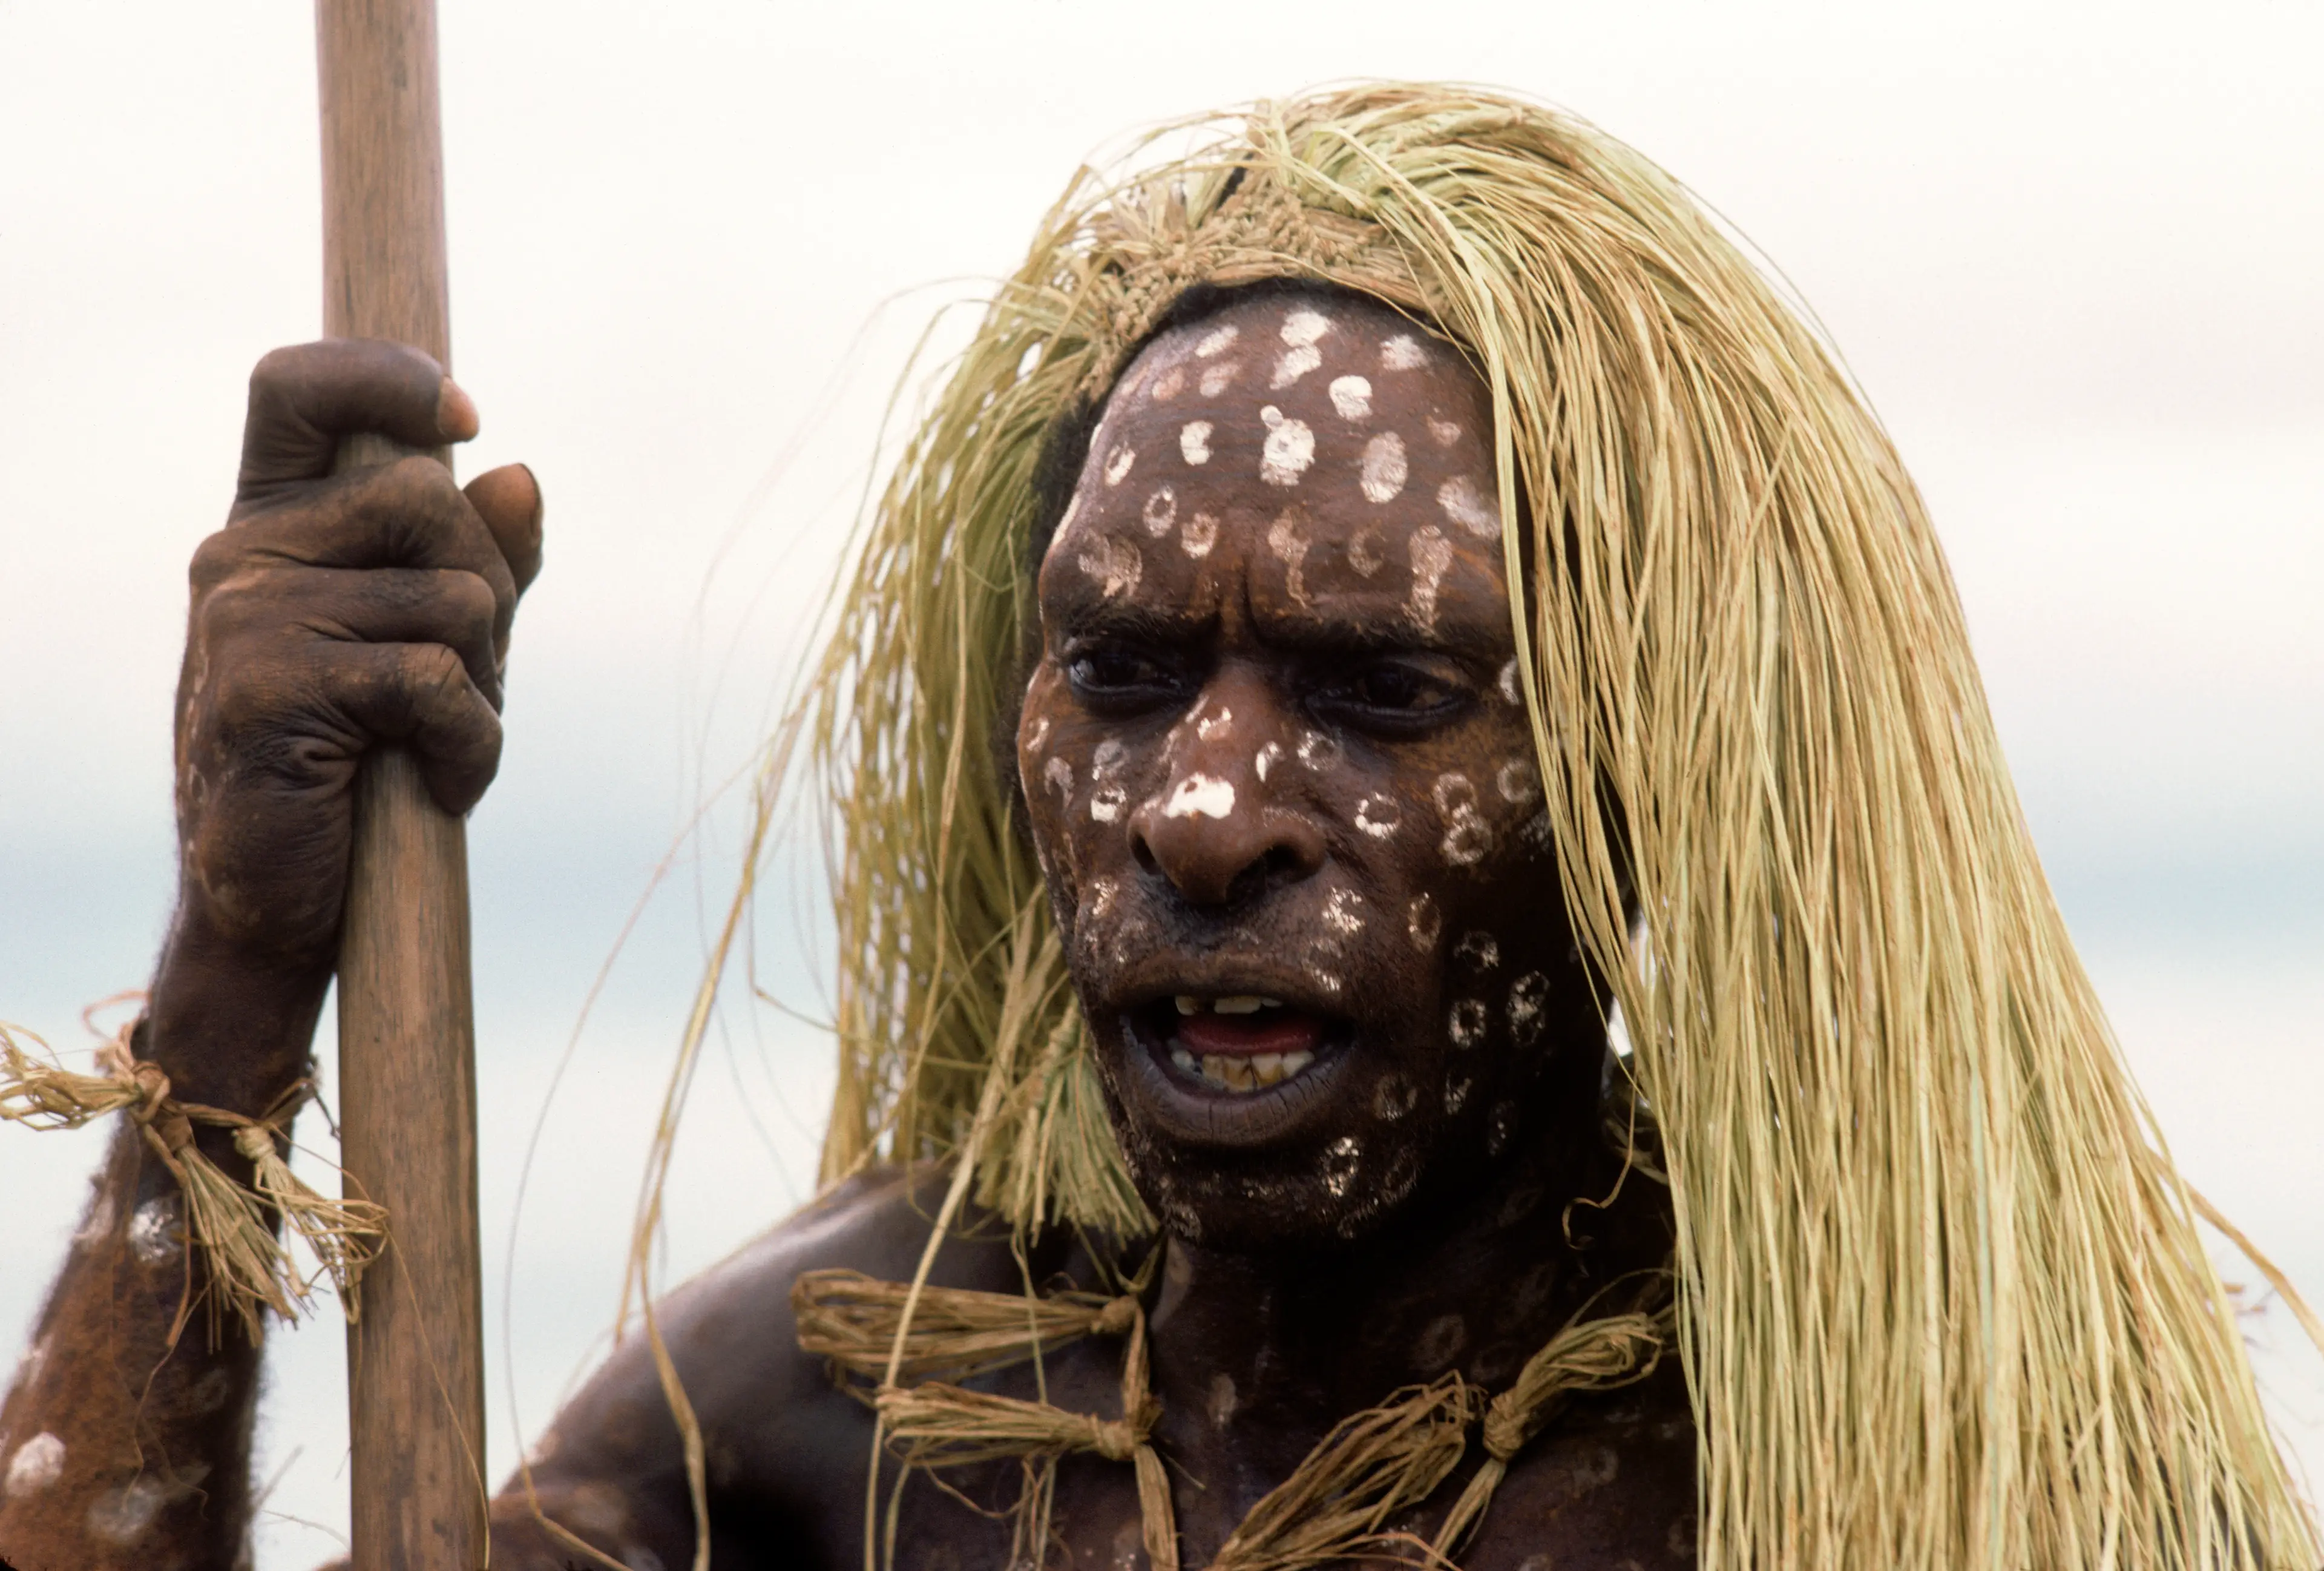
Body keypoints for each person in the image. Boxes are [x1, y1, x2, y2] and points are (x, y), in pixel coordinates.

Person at [0, 85, 2311, 1571]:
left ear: (1640, 777)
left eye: (1382, 690)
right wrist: (235, 977)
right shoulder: (838, 1425)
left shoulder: (1899, 1483)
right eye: (1116, 675)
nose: (1199, 815)